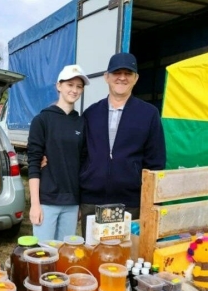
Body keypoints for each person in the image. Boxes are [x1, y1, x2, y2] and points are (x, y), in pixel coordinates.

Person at [79, 52, 166, 237]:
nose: (122, 78)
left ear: (136, 78)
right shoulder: (91, 114)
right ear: (106, 77)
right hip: (92, 200)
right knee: (92, 254)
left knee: (125, 255)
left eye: (128, 73)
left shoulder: (149, 114)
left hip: (130, 203)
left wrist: (149, 203)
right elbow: (79, 154)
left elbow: (156, 162)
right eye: (117, 72)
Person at [27, 65, 90, 241]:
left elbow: (83, 163)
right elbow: (34, 163)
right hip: (47, 201)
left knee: (65, 255)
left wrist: (78, 203)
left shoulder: (81, 123)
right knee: (43, 255)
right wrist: (35, 204)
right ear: (59, 86)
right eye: (70, 85)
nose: (74, 90)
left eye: (79, 86)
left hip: (71, 203)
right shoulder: (42, 120)